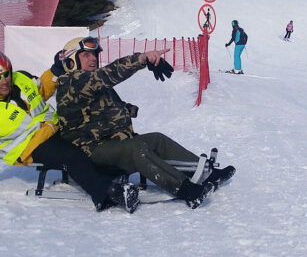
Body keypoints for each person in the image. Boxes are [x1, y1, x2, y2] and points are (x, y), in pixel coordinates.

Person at [56, 37, 235, 209]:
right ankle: (186, 190)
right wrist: (141, 59)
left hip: (111, 141)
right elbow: (108, 74)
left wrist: (126, 109)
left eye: (94, 54)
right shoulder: (72, 81)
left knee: (157, 139)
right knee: (135, 148)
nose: (93, 58)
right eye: (86, 55)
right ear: (71, 61)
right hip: (91, 149)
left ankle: (207, 172)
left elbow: (101, 108)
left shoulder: (91, 82)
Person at [0, 51, 139, 213]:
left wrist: (55, 71)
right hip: (29, 146)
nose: (4, 81)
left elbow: (41, 90)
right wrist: (50, 126)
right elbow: (33, 130)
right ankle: (108, 193)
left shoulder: (21, 78)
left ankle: (112, 172)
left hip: (53, 128)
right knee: (70, 155)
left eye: (6, 75)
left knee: (85, 138)